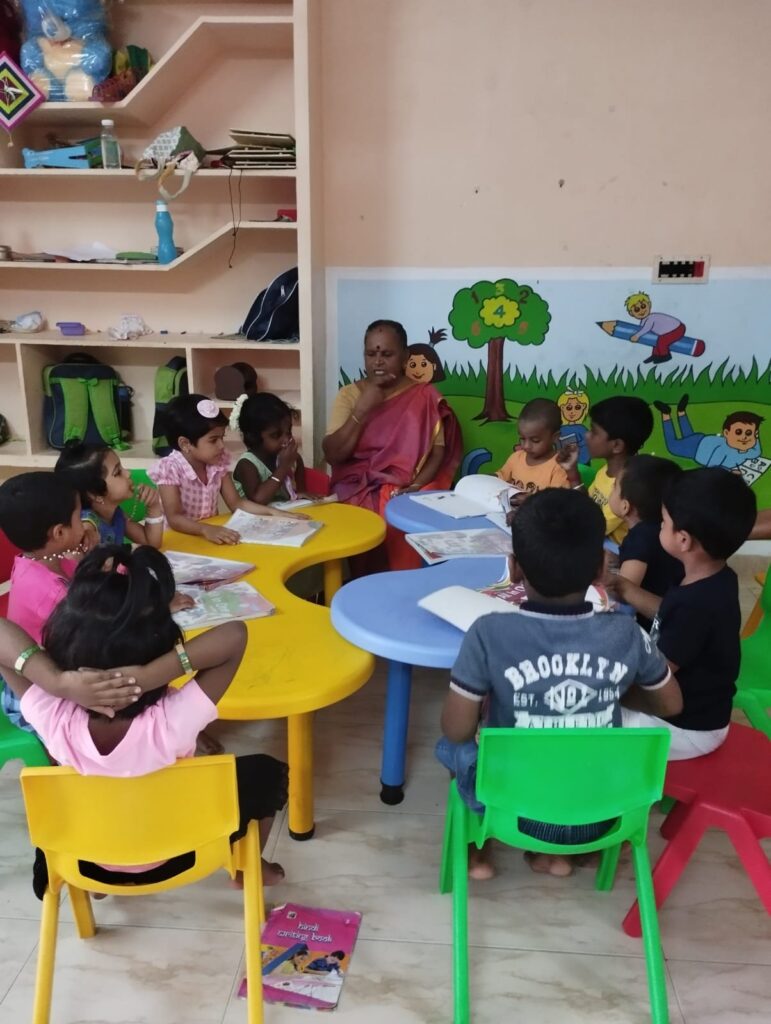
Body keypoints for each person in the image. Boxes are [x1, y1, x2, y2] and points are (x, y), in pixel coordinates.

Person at [1, 544, 288, 896]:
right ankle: (248, 867)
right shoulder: (173, 719)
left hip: (88, 859)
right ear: (162, 646)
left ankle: (100, 886)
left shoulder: (54, 715)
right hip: (183, 854)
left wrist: (57, 682)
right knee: (267, 771)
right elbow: (234, 636)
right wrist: (149, 675)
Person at [436, 488, 681, 879]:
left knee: (453, 748)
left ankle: (478, 853)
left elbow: (457, 729)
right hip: (601, 811)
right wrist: (612, 690)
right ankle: (565, 853)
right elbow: (670, 704)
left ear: (515, 567)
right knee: (584, 758)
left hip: (515, 810)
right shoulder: (626, 633)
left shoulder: (488, 633)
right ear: (601, 568)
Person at [617, 468, 756, 759]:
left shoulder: (696, 603)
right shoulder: (716, 578)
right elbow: (668, 616)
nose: (659, 527)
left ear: (683, 540)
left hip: (686, 730)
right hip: (697, 717)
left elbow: (654, 675)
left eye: (663, 522)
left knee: (586, 718)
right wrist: (622, 587)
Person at [323, 319, 461, 570]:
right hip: (357, 485)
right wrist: (361, 410)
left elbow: (437, 452)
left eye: (387, 354)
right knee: (363, 514)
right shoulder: (350, 395)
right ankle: (364, 582)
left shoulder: (424, 395)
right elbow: (333, 455)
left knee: (405, 507)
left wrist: (416, 485)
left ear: (405, 356)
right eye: (371, 354)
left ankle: (404, 580)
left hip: (407, 483)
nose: (378, 362)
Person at [148, 394, 304, 546]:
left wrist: (274, 513)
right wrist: (205, 529)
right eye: (213, 440)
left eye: (222, 437)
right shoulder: (170, 469)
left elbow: (237, 503)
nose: (221, 446)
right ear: (185, 444)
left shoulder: (217, 463)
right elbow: (174, 518)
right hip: (177, 541)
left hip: (208, 537)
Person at [0, 472, 86, 733]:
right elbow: (89, 640)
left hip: (54, 668)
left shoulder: (45, 557)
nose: (85, 524)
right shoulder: (50, 593)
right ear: (59, 532)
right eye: (79, 517)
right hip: (34, 695)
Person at [607, 454, 685, 631]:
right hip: (676, 609)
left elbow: (623, 591)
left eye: (615, 487)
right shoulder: (660, 530)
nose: (611, 490)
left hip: (654, 628)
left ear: (625, 506)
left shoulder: (639, 539)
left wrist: (600, 578)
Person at [54, 441, 164, 549]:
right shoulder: (88, 525)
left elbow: (150, 542)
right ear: (95, 494)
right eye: (118, 472)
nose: (128, 473)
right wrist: (86, 531)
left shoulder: (116, 514)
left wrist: (154, 506)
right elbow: (87, 526)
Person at [583, 396, 654, 545]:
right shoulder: (605, 471)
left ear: (617, 445)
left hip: (617, 552)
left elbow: (590, 529)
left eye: (594, 431)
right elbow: (585, 506)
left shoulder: (626, 489)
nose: (587, 435)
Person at [230, 392, 306, 504]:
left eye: (288, 431)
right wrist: (283, 467)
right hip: (254, 514)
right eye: (276, 435)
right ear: (254, 437)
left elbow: (300, 492)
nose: (286, 440)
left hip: (283, 512)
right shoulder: (247, 464)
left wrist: (302, 494)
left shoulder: (292, 459)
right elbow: (258, 499)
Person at [654, 395, 763, 470]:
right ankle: (666, 414)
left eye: (749, 433)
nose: (744, 437)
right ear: (726, 433)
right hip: (696, 448)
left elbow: (757, 452)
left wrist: (756, 437)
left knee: (688, 436)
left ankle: (681, 412)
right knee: (672, 446)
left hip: (701, 439)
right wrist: (730, 472)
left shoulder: (749, 451)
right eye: (738, 432)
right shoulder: (723, 450)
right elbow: (712, 466)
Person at [495, 398, 576, 494]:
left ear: (554, 437)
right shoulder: (516, 458)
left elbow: (556, 500)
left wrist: (529, 499)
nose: (526, 446)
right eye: (522, 439)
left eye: (535, 440)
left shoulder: (558, 467)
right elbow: (499, 478)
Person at [625, 292, 685, 365]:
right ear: (631, 313)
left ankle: (665, 355)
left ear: (649, 305)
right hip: (671, 330)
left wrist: (637, 336)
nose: (641, 311)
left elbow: (646, 329)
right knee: (656, 341)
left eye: (643, 306)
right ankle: (655, 355)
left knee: (662, 340)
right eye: (637, 309)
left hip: (678, 329)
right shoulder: (644, 320)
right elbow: (644, 329)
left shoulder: (651, 318)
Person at [557, 388, 590, 465]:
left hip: (582, 462)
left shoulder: (582, 429)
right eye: (568, 408)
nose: (573, 412)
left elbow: (588, 446)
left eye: (578, 407)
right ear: (562, 408)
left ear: (584, 407)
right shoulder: (560, 430)